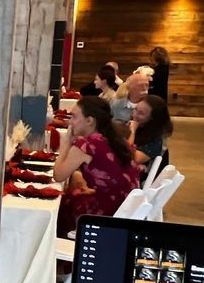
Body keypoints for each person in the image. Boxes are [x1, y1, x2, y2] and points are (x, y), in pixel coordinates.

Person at [53, 96, 143, 238]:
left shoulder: (87, 145)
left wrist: (65, 144)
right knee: (73, 194)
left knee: (63, 204)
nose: (70, 122)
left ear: (90, 121)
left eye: (74, 117)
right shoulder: (116, 139)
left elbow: (58, 175)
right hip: (126, 208)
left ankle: (59, 252)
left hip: (108, 213)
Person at [131, 94, 173, 171]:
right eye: (135, 109)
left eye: (141, 113)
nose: (134, 115)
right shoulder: (137, 125)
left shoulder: (157, 139)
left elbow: (132, 157)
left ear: (152, 118)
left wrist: (132, 131)